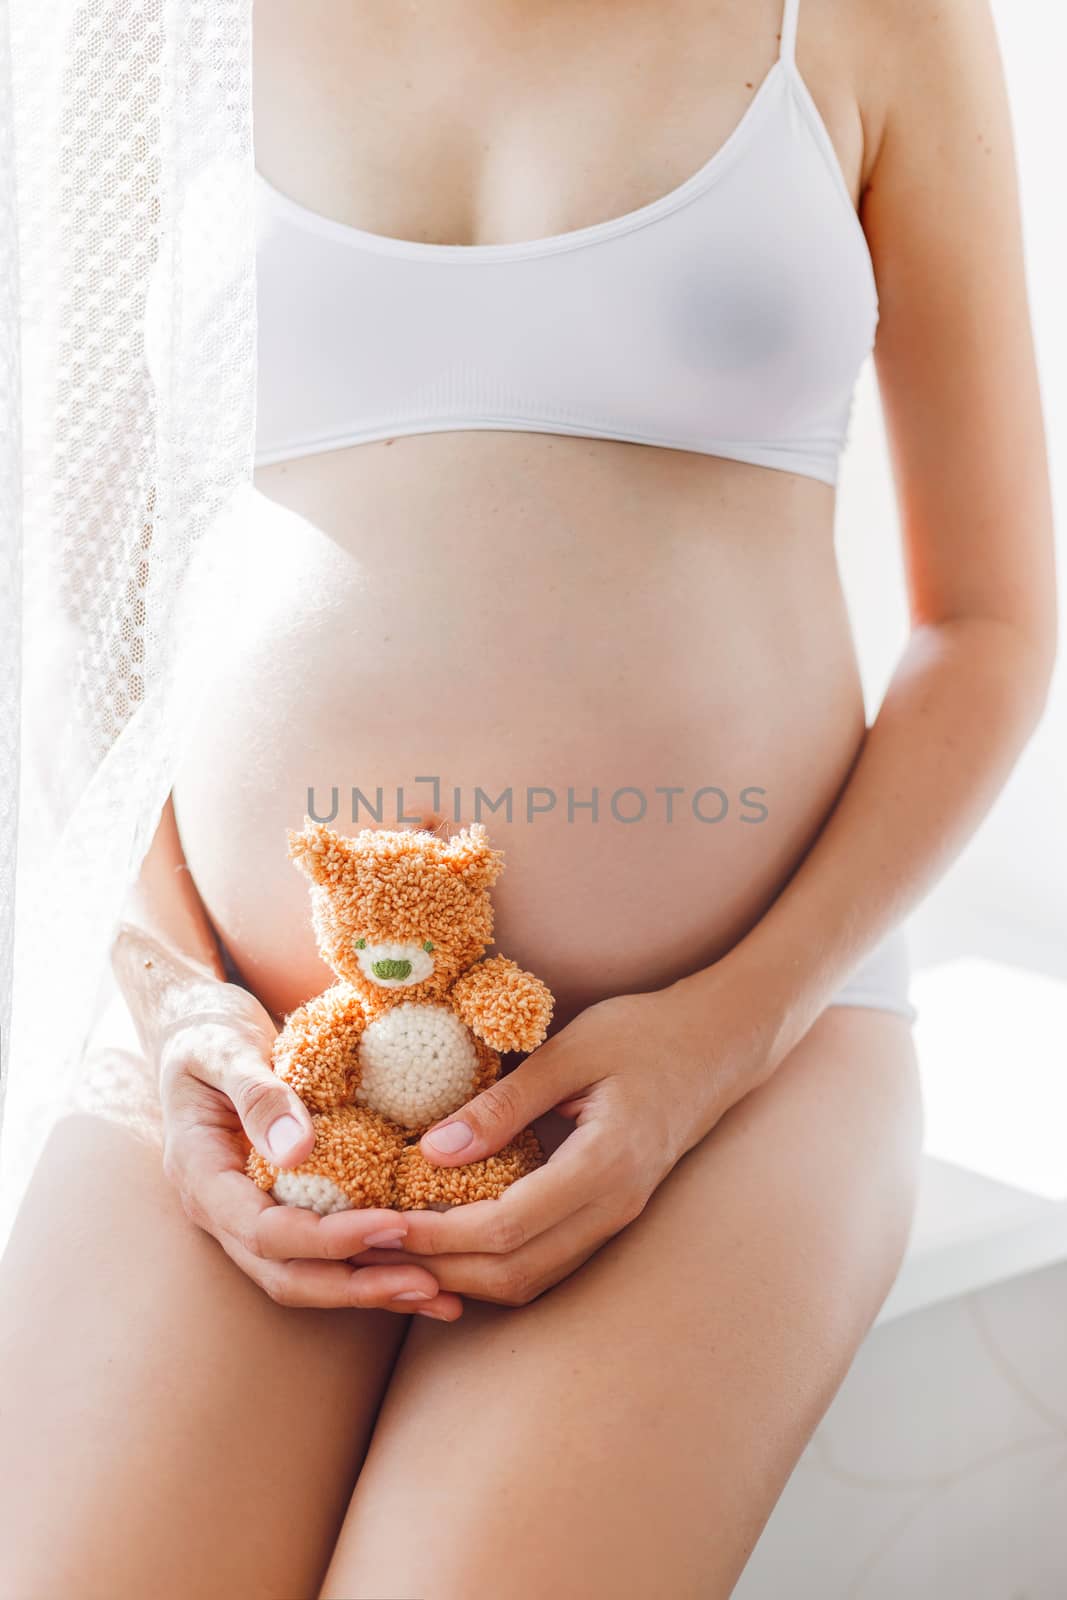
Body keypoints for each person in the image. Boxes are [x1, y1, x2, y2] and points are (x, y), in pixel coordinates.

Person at [0, 0, 1055, 1595]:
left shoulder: (868, 16)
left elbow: (988, 622)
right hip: (245, 1049)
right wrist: (173, 1014)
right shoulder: (149, 26)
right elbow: (70, 624)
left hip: (744, 1049)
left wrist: (726, 1037)